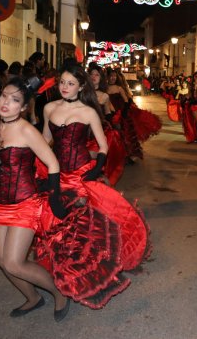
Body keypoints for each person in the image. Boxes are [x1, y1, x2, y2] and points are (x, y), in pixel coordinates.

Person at [36, 65, 150, 308]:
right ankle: (62, 272)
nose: (65, 88)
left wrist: (95, 171)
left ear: (81, 87)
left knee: (83, 228)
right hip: (58, 175)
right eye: (62, 83)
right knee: (56, 226)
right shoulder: (48, 108)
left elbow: (103, 146)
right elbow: (46, 140)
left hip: (81, 174)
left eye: (70, 83)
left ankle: (85, 272)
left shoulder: (88, 112)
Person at [0, 77, 70, 321]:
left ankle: (58, 293)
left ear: (23, 107)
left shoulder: (27, 130)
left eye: (15, 100)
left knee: (13, 263)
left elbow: (52, 163)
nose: (6, 103)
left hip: (25, 203)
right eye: (4, 96)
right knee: (2, 261)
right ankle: (33, 298)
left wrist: (54, 199)